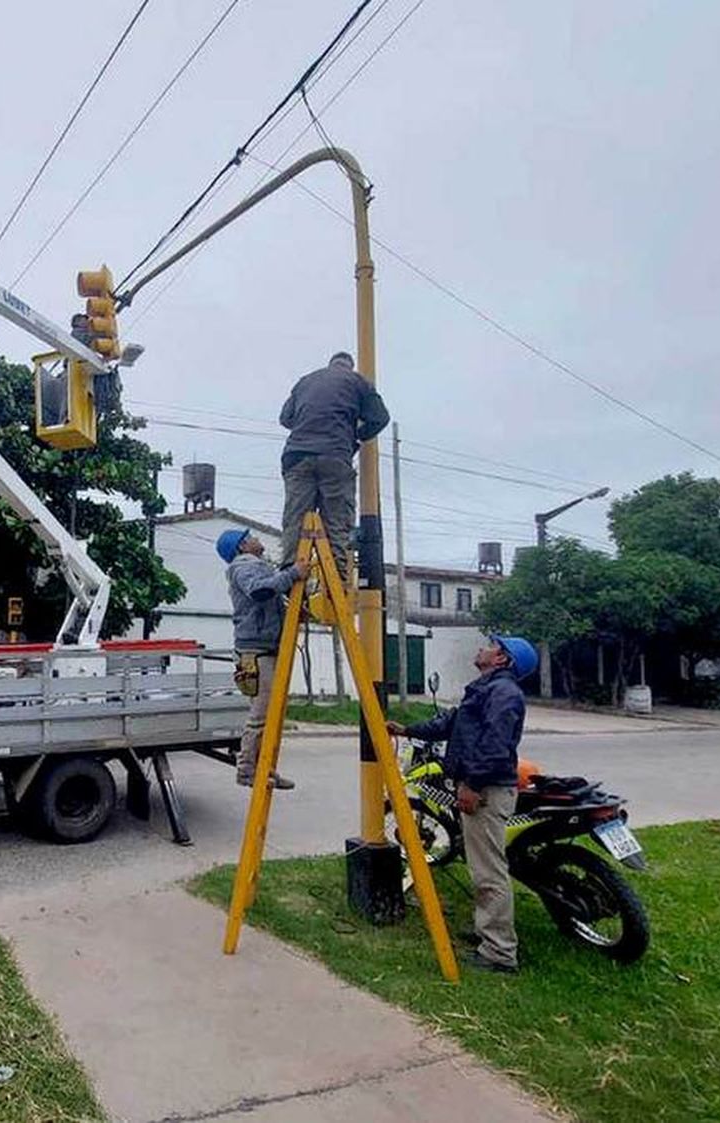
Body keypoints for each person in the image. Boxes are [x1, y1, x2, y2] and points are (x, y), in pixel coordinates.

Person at [387, 635, 538, 974]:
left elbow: (495, 745)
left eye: (491, 645)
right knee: (481, 866)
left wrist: (472, 784)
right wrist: (408, 729)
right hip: (479, 785)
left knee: (489, 872)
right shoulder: (486, 689)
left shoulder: (503, 694)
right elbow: (450, 724)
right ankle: (489, 931)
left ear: (502, 659)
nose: (482, 647)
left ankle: (499, 954)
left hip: (486, 789)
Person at [279, 350, 390, 569]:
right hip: (335, 456)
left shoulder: (306, 381)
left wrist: (308, 425)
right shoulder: (359, 382)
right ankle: (336, 573)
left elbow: (285, 418)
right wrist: (358, 433)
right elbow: (380, 418)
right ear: (350, 366)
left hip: (297, 456)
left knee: (296, 518)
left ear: (330, 364)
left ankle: (290, 570)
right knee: (336, 521)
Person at [218, 527, 308, 790]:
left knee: (269, 714)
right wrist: (293, 574)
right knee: (260, 715)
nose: (257, 539)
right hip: (257, 651)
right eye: (251, 537)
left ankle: (264, 767)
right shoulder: (244, 565)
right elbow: (258, 592)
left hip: (263, 648)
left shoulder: (254, 564)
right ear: (242, 546)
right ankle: (247, 771)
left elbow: (267, 601)